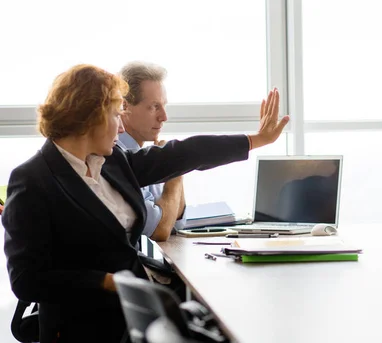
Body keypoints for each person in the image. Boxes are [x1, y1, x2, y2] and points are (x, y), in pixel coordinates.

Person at [2, 64, 288, 342]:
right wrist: (106, 281)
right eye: (116, 114)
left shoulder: (111, 161)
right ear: (92, 117)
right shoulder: (32, 180)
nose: (120, 125)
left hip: (129, 316)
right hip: (82, 325)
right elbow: (27, 280)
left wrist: (255, 140)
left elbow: (184, 153)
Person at [116, 61, 185, 242]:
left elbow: (176, 221)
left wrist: (171, 163)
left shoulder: (146, 154)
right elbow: (160, 229)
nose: (164, 117)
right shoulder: (117, 158)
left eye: (164, 106)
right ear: (125, 107)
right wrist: (175, 167)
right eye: (154, 106)